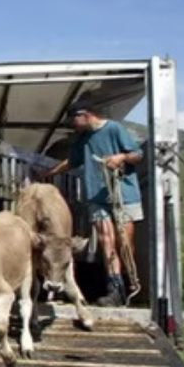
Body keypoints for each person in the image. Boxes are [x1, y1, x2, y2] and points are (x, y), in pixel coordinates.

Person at [43, 98, 144, 306]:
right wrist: (49, 172)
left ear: (86, 115)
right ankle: (114, 288)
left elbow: (137, 154)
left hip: (123, 194)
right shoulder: (83, 139)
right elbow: (73, 161)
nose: (72, 124)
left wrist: (121, 158)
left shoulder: (114, 129)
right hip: (96, 197)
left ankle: (129, 282)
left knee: (124, 242)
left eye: (74, 119)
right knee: (107, 241)